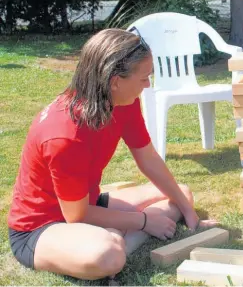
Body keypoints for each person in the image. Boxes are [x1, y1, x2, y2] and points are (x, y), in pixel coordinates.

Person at [7, 28, 217, 281]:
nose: (148, 84)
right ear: (115, 80)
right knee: (108, 255)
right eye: (144, 78)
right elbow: (77, 216)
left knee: (181, 194)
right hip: (40, 227)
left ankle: (115, 234)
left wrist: (188, 212)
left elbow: (148, 158)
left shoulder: (121, 102)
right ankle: (114, 240)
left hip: (86, 203)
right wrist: (142, 221)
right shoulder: (64, 135)